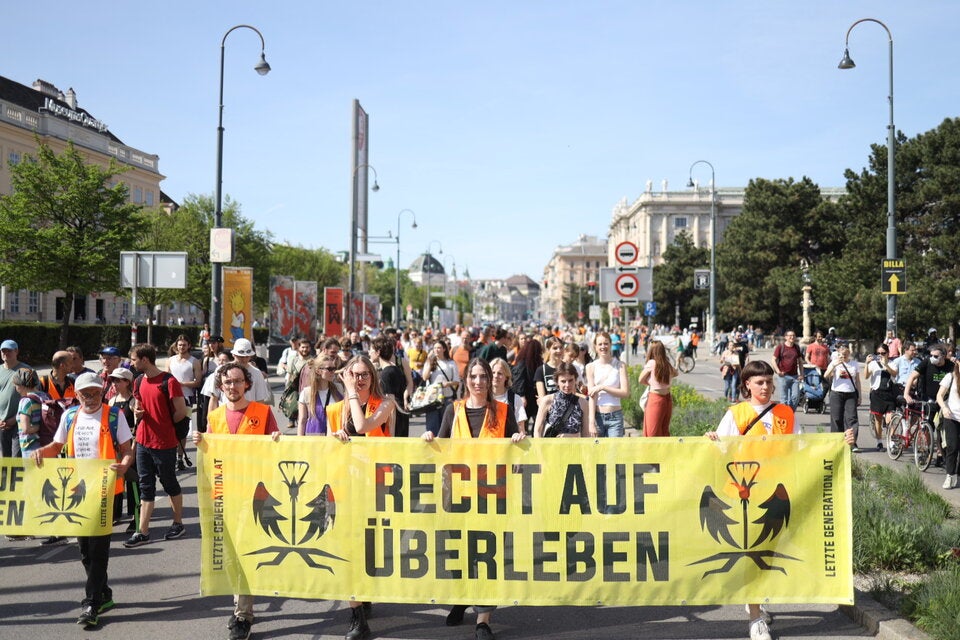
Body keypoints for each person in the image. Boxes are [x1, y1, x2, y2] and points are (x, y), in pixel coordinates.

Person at [705, 360, 855, 640]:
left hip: (776, 492)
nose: (765, 387)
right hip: (744, 494)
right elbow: (719, 451)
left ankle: (758, 599)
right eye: (759, 382)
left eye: (769, 382)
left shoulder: (785, 413)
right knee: (752, 553)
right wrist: (710, 439)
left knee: (770, 552)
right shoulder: (735, 414)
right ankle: (754, 619)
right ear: (747, 385)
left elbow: (802, 448)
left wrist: (838, 443)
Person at [422, 357, 524, 640]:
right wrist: (430, 437)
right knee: (459, 552)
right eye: (473, 377)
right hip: (458, 494)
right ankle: (462, 597)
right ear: (466, 380)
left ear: (490, 380)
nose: (478, 382)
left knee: (487, 554)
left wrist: (518, 440)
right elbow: (440, 445)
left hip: (492, 494)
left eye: (483, 377)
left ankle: (483, 619)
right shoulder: (452, 411)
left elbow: (520, 445)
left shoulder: (503, 411)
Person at [31, 372, 134, 628]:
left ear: (102, 392)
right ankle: (105, 593)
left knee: (99, 549)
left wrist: (124, 465)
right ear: (76, 395)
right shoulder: (69, 416)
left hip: (104, 490)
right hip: (77, 491)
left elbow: (127, 448)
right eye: (85, 393)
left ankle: (91, 603)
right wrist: (40, 453)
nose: (90, 397)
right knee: (85, 550)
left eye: (95, 392)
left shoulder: (114, 415)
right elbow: (56, 446)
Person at [194, 362, 280, 640]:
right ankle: (242, 610)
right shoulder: (215, 417)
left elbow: (276, 452)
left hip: (255, 496)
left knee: (247, 554)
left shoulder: (263, 413)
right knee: (232, 556)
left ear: (247, 384)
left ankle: (242, 614)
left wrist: (278, 440)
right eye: (227, 382)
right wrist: (200, 442)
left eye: (237, 381)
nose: (232, 387)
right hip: (223, 495)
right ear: (221, 386)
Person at [326, 354, 396, 640]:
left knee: (370, 548)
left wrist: (351, 395)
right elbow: (325, 449)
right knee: (347, 549)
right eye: (354, 374)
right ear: (347, 376)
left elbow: (364, 425)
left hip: (376, 485)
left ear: (373, 376)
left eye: (365, 373)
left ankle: (364, 591)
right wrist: (334, 439)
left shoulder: (386, 403)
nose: (360, 378)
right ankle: (357, 617)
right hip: (344, 485)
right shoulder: (335, 410)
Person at [125, 343, 189, 547]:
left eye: (134, 359)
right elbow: (137, 403)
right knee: (146, 486)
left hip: (165, 442)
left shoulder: (169, 381)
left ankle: (178, 523)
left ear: (145, 360)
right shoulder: (137, 381)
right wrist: (137, 411)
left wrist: (164, 424)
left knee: (170, 484)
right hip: (143, 441)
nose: (131, 363)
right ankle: (142, 531)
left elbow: (181, 411)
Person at [108, 367, 140, 531]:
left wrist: (133, 449)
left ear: (127, 382)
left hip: (130, 446)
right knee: (115, 481)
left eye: (118, 380)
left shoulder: (134, 401)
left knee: (133, 482)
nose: (114, 384)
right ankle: (114, 514)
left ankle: (136, 517)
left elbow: (137, 427)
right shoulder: (111, 401)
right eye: (113, 380)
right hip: (114, 448)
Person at [166, 334, 202, 470]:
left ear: (189, 346)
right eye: (180, 345)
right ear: (176, 346)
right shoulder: (170, 360)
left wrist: (181, 384)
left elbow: (197, 381)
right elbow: (166, 378)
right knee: (169, 428)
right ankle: (170, 455)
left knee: (182, 430)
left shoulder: (194, 361)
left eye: (184, 345)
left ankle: (180, 457)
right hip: (170, 398)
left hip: (186, 399)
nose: (182, 347)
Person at [585, 332, 629, 438]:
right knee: (598, 452)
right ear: (595, 347)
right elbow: (592, 396)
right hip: (598, 416)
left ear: (610, 344)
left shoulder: (620, 365)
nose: (603, 347)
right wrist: (591, 423)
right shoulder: (590, 367)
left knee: (614, 452)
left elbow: (625, 393)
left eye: (606, 343)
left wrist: (603, 387)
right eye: (600, 344)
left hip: (615, 416)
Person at [534, 362, 590, 438]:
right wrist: (539, 449)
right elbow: (537, 430)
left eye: (570, 380)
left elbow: (585, 433)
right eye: (563, 381)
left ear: (576, 380)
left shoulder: (583, 403)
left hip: (574, 448)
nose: (567, 385)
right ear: (557, 381)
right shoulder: (547, 400)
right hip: (552, 448)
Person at [824, 343, 862, 452]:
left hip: (850, 394)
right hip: (836, 393)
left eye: (846, 354)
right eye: (842, 354)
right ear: (838, 354)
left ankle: (852, 442)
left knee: (852, 419)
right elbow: (826, 375)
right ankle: (837, 442)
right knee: (836, 418)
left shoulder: (854, 364)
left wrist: (859, 395)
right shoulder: (835, 363)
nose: (844, 356)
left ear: (849, 354)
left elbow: (858, 381)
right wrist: (834, 365)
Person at [1, 339, 34, 457]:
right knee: (5, 458)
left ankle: (16, 476)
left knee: (17, 457)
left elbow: (34, 397)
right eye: (3, 351)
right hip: (1, 423)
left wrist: (16, 418)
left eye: (9, 350)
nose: (6, 353)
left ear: (16, 351)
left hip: (20, 422)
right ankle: (4, 476)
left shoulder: (27, 371)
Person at [421, 339, 460, 436]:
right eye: (434, 348)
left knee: (446, 425)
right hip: (432, 398)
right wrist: (429, 362)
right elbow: (425, 377)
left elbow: (457, 380)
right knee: (432, 425)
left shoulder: (450, 363)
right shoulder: (430, 362)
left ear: (444, 349)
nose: (436, 350)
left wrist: (448, 383)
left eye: (439, 348)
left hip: (447, 397)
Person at [638, 341, 678, 437]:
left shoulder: (652, 363)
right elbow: (675, 373)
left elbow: (640, 379)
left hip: (655, 398)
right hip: (667, 398)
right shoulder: (666, 364)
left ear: (652, 351)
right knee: (664, 429)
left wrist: (651, 383)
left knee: (653, 431)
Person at [296, 354, 343, 436]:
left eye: (334, 368)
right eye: (329, 369)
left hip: (335, 438)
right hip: (313, 439)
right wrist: (299, 442)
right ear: (318, 371)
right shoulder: (306, 393)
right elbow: (302, 421)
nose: (333, 372)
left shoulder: (338, 388)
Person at [864, 343, 897, 452]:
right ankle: (879, 442)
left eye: (883, 353)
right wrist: (866, 363)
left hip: (889, 394)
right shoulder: (873, 364)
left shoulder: (892, 363)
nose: (880, 355)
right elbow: (866, 376)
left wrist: (886, 365)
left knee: (890, 419)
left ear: (888, 353)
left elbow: (894, 374)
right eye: (878, 353)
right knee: (878, 420)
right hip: (877, 394)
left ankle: (892, 442)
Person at [936, 355, 960, 490]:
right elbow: (939, 395)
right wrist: (944, 408)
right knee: (953, 447)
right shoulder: (950, 377)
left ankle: (958, 475)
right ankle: (950, 475)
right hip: (951, 416)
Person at [14, 368, 46, 458]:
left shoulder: (26, 402)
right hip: (47, 443)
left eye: (16, 385)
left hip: (31, 447)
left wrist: (41, 427)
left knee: (32, 472)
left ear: (20, 386)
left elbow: (26, 429)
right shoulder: (45, 396)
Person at [490, 357, 527, 432]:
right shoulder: (482, 398)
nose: (496, 376)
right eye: (493, 373)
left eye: (500, 373)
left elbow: (521, 430)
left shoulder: (515, 399)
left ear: (506, 377)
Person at [771, 330, 802, 410]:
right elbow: (773, 360)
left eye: (793, 335)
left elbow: (800, 362)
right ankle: (784, 417)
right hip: (783, 376)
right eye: (790, 335)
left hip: (794, 376)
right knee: (783, 399)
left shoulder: (796, 347)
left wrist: (801, 374)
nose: (792, 337)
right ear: (786, 337)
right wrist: (778, 371)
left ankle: (790, 413)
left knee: (795, 397)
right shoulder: (781, 347)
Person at [534, 336, 564, 401]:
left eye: (561, 347)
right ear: (548, 350)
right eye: (555, 348)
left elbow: (573, 392)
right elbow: (542, 397)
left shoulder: (568, 367)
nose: (559, 350)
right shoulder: (541, 370)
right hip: (550, 409)